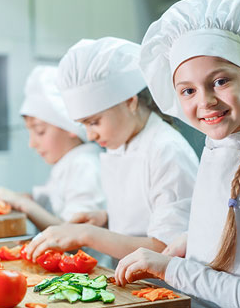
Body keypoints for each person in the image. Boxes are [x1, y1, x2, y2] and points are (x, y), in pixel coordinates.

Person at [114, 0, 240, 308]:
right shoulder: (218, 148)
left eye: (220, 81)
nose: (204, 101)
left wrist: (173, 270)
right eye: (188, 90)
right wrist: (194, 244)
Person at [24, 37, 199, 264]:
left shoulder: (166, 150)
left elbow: (167, 248)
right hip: (133, 280)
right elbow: (147, 215)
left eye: (94, 122)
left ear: (130, 102)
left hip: (169, 290)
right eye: (84, 124)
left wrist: (88, 235)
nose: (89, 136)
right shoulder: (122, 144)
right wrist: (105, 220)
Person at [0, 65, 106, 231]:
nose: (32, 143)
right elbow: (48, 198)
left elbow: (76, 233)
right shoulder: (68, 161)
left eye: (39, 131)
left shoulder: (85, 165)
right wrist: (17, 198)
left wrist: (23, 204)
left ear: (70, 127)